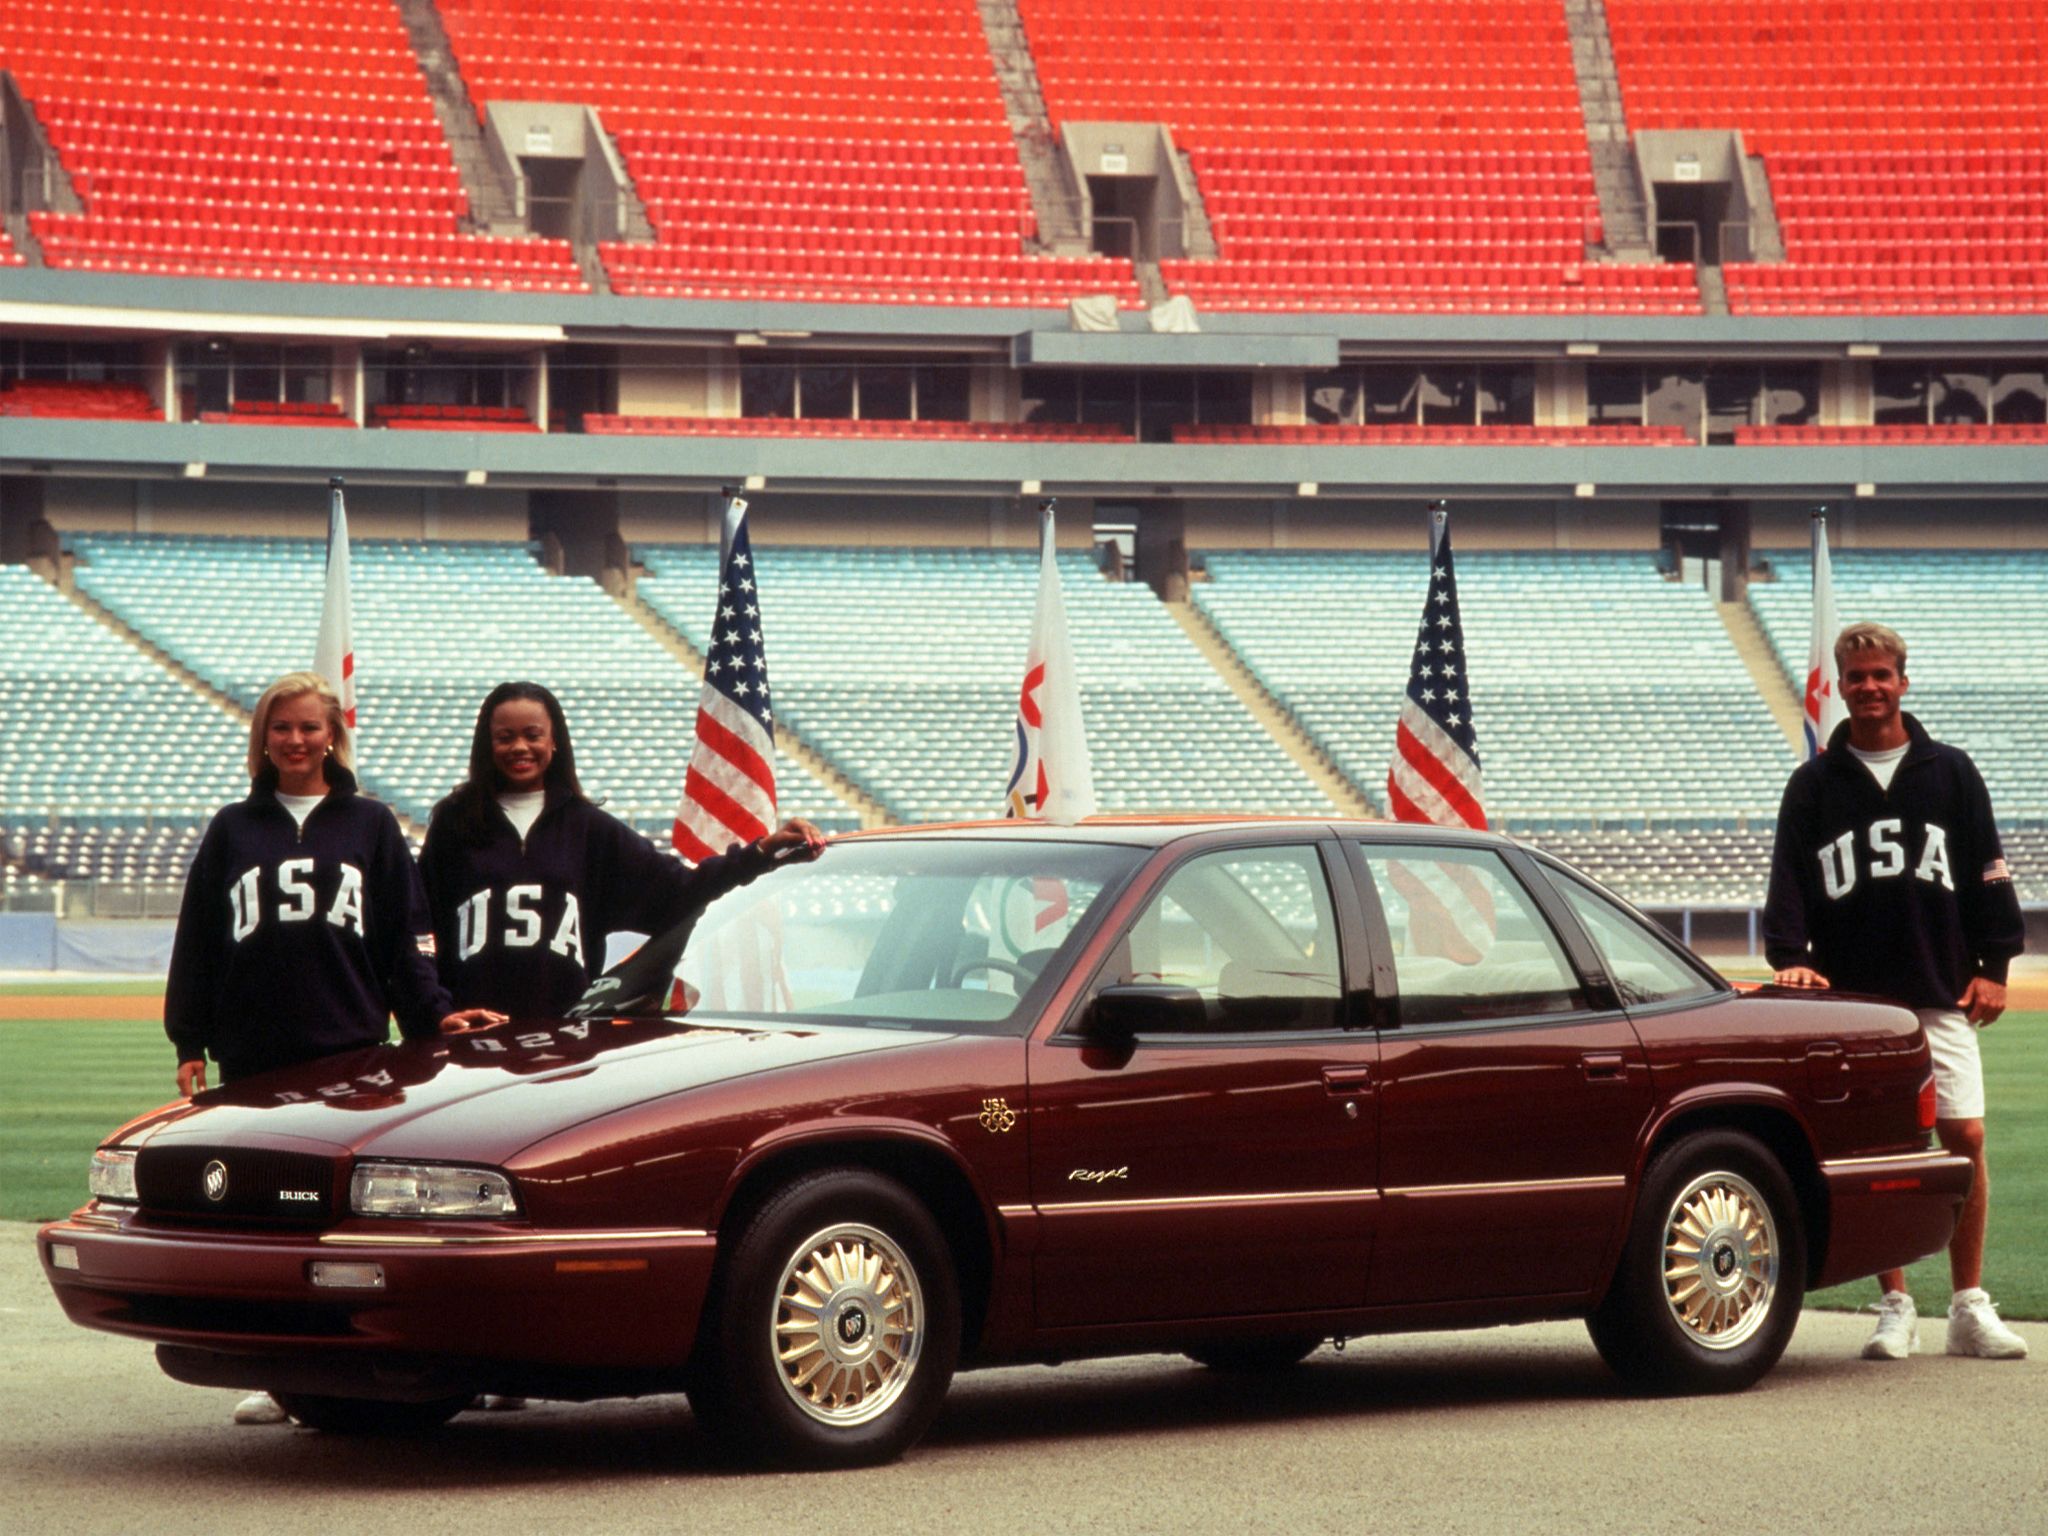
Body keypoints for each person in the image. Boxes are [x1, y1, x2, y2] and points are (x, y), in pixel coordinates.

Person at [166, 671, 502, 1423]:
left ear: (332, 736)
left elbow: (405, 938)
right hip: (252, 1052)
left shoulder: (372, 825)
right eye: (281, 728)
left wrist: (433, 1015)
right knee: (260, 1220)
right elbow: (200, 940)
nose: (295, 741)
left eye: (309, 728)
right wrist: (189, 1036)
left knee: (334, 1216)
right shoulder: (232, 829)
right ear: (263, 739)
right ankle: (272, 1370)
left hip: (351, 1048)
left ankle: (339, 1360)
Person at [1763, 622, 2027, 1361]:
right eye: (1857, 677)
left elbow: (1988, 871)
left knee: (1964, 1135)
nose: (1870, 687)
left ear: (1903, 681)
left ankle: (1969, 1304)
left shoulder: (1951, 771)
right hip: (1858, 1001)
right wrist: (1790, 956)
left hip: (1940, 987)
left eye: (1882, 675)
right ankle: (1896, 1303)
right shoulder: (1814, 783)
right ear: (1839, 687)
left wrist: (1995, 966)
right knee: (1884, 1149)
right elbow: (1788, 880)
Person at [419, 680, 824, 1023]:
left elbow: (679, 890)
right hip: (472, 1042)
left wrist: (760, 852)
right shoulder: (454, 824)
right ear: (486, 744)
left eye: (532, 734)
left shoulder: (590, 828)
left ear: (554, 741)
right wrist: (437, 1013)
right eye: (505, 737)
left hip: (564, 1045)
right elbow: (415, 929)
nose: (520, 747)